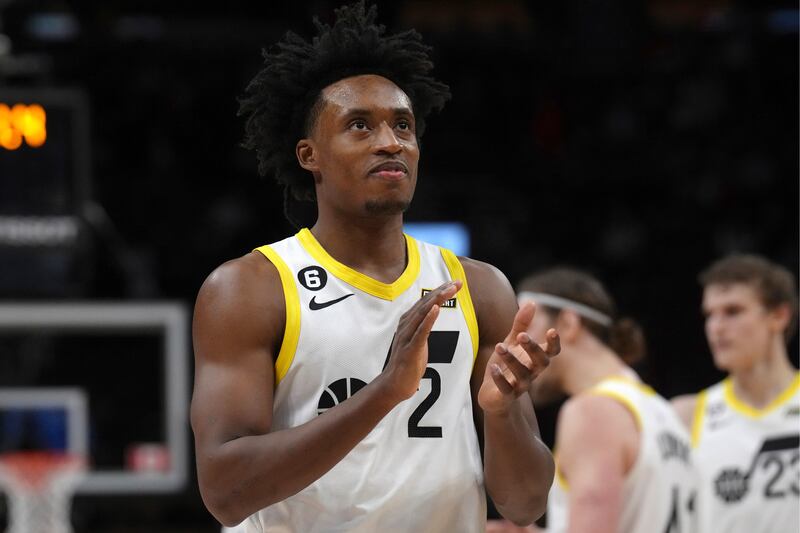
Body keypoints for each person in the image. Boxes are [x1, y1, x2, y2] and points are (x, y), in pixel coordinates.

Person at [190, 2, 559, 531]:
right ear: (309, 155)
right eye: (359, 126)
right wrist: (385, 392)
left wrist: (502, 415)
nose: (390, 142)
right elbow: (225, 493)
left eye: (403, 125)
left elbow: (525, 505)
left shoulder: (479, 288)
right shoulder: (251, 289)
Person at [487, 268, 698, 533]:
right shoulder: (662, 413)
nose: (513, 346)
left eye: (525, 327)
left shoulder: (593, 412)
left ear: (567, 324)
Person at [671, 254, 799, 533]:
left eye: (733, 311)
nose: (716, 327)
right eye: (709, 315)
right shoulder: (686, 415)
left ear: (779, 316)